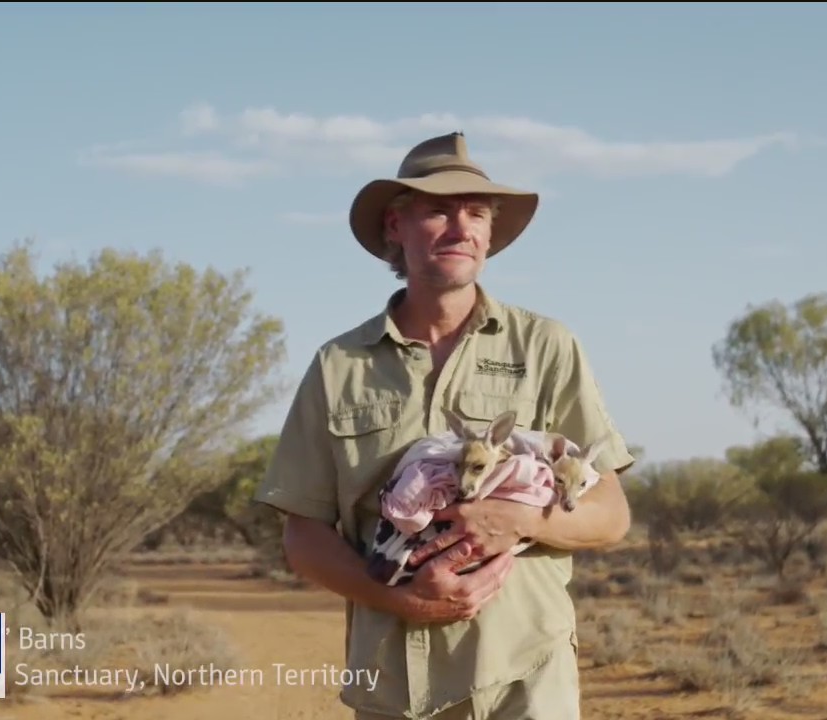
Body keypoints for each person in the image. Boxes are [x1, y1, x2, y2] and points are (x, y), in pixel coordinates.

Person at [253, 131, 637, 720]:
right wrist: (401, 599)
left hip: (525, 682)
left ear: (488, 234)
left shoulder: (547, 348)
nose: (461, 228)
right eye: (438, 210)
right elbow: (303, 537)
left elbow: (610, 515)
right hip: (393, 687)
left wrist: (518, 518)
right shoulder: (340, 365)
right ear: (394, 227)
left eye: (476, 213)